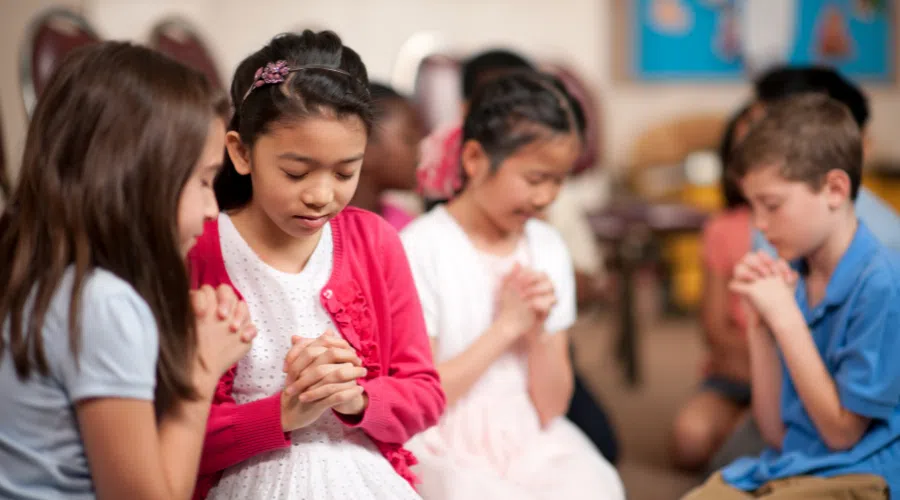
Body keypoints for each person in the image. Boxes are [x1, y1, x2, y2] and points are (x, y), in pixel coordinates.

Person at [187, 31, 445, 500]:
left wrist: (357, 398)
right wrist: (282, 413)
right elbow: (168, 433)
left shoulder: (374, 241)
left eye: (346, 172)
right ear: (241, 152)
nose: (322, 195)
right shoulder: (199, 247)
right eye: (296, 172)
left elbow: (425, 394)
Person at [0, 41, 254, 499]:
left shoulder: (31, 272)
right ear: (139, 179)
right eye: (201, 180)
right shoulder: (103, 305)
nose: (213, 208)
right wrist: (201, 369)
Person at [401, 71, 624, 499]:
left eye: (558, 182)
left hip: (525, 430)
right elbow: (420, 400)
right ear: (474, 159)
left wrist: (539, 331)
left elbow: (551, 406)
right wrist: (508, 326)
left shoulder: (546, 246)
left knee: (599, 486)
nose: (546, 199)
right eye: (535, 179)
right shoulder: (420, 248)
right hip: (440, 438)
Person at [684, 94, 900, 499]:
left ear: (835, 189)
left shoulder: (883, 284)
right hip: (795, 462)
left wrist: (785, 318)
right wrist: (760, 325)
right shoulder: (796, 273)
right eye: (752, 208)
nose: (760, 225)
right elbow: (777, 433)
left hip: (860, 473)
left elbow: (841, 435)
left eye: (772, 205)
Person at [670, 105, 755, 470]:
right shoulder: (723, 228)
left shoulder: (806, 228)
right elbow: (714, 327)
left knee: (745, 444)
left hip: (792, 377)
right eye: (742, 153)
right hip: (733, 371)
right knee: (689, 438)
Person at [351, 82, 425, 231]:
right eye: (409, 139)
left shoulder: (408, 227)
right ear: (365, 147)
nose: (420, 151)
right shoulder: (319, 229)